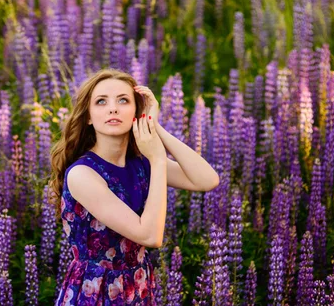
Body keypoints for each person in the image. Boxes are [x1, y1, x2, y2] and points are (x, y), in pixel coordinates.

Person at [49, 69, 220, 305]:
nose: (113, 108)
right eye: (101, 101)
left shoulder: (139, 164)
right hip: (95, 291)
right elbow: (150, 235)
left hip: (138, 287)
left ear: (135, 113)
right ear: (88, 116)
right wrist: (158, 159)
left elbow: (207, 179)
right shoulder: (82, 174)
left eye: (123, 100)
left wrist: (155, 127)